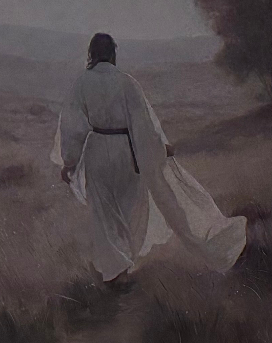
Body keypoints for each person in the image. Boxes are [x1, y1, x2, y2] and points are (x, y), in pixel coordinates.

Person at [53, 33, 247, 282]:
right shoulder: (127, 83)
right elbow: (144, 125)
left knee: (105, 215)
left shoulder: (82, 83)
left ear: (91, 53)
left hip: (97, 153)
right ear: (113, 53)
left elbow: (72, 127)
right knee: (129, 210)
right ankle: (121, 269)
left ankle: (117, 272)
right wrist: (159, 149)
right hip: (128, 153)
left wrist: (69, 162)